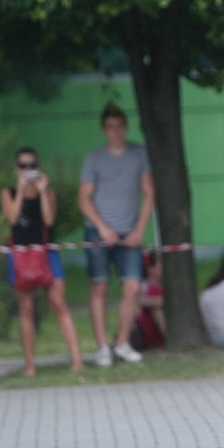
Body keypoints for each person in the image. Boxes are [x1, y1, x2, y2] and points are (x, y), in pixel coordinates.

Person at [78, 103, 155, 367]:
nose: (116, 131)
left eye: (120, 126)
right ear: (104, 130)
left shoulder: (138, 154)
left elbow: (148, 193)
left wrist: (139, 229)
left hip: (129, 232)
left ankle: (121, 341)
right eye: (111, 127)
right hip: (99, 232)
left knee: (132, 287)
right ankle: (102, 347)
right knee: (99, 286)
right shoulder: (94, 158)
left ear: (126, 127)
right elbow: (84, 199)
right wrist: (102, 227)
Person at [1, 147, 84, 376]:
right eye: (23, 166)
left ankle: (77, 360)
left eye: (32, 165)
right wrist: (20, 191)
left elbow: (48, 219)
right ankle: (30, 365)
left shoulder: (48, 192)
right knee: (26, 308)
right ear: (16, 168)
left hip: (47, 253)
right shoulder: (8, 192)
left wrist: (42, 190)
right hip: (20, 255)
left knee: (59, 302)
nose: (28, 170)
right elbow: (12, 218)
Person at [131, 251, 166, 350]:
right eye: (161, 266)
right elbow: (139, 301)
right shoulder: (150, 288)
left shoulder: (140, 286)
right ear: (150, 269)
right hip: (145, 331)